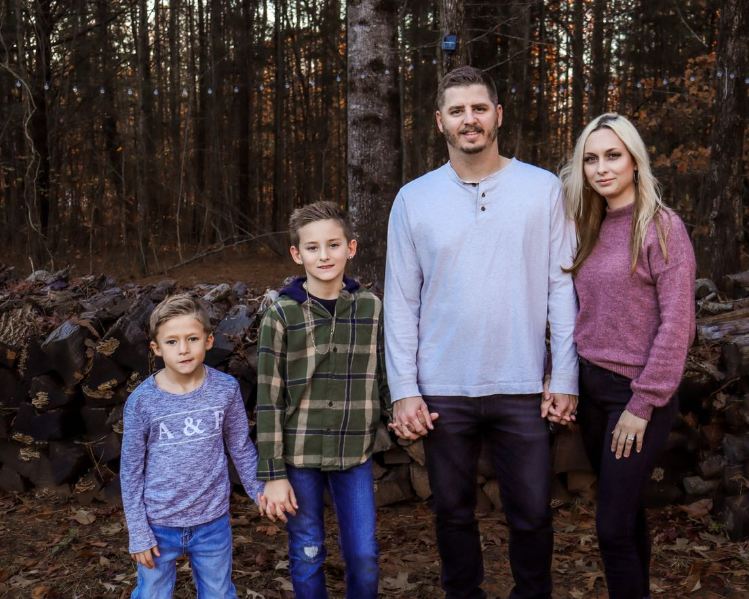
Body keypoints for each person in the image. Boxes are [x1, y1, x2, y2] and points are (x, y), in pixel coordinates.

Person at [385, 65, 579, 599]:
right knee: (451, 513)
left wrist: (564, 374)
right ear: (439, 122)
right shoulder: (413, 199)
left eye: (478, 108)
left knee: (534, 514)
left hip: (522, 382)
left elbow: (561, 287)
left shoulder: (542, 190)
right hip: (443, 386)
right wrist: (404, 389)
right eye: (456, 110)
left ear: (498, 114)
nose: (468, 120)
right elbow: (401, 302)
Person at [560, 113, 695, 599]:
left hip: (637, 396)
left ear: (635, 161)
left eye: (613, 155)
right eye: (591, 159)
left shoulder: (661, 227)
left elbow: (678, 324)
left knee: (611, 526)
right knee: (627, 513)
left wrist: (642, 405)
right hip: (594, 391)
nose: (601, 168)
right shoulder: (587, 226)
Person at [255, 200, 390, 599]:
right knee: (308, 551)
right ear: (298, 254)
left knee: (364, 555)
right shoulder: (281, 314)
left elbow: (384, 373)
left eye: (333, 245)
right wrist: (273, 474)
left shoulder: (370, 308)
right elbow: (268, 396)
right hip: (299, 455)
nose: (324, 255)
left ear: (351, 247)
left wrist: (401, 411)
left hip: (354, 453)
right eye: (312, 247)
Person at [120, 294, 265, 599]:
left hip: (212, 521)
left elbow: (240, 446)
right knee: (152, 594)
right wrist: (138, 532)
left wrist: (259, 492)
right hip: (158, 523)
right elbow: (131, 472)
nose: (183, 349)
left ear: (208, 341)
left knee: (219, 593)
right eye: (171, 342)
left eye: (192, 338)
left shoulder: (226, 389)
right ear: (156, 349)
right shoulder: (142, 402)